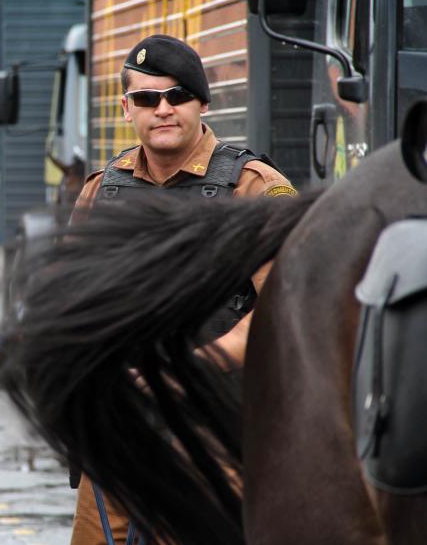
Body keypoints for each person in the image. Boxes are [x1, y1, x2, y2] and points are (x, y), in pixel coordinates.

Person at [68, 34, 296, 544]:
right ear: (127, 108)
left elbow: (288, 307)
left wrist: (194, 365)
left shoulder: (254, 188)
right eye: (147, 98)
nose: (163, 109)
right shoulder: (102, 190)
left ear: (202, 103)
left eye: (178, 95)